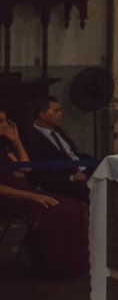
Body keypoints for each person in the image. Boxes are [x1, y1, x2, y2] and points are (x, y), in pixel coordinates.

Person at [0, 109, 89, 278]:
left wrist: (16, 140)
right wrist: (34, 196)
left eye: (5, 120)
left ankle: (70, 263)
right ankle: (51, 266)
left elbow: (26, 168)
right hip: (9, 198)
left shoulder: (5, 146)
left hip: (26, 190)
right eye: (0, 121)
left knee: (77, 207)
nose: (4, 124)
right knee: (58, 211)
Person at [20, 95, 92, 203]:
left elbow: (72, 153)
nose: (60, 114)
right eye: (56, 111)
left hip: (80, 171)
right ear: (43, 115)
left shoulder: (58, 130)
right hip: (64, 182)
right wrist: (71, 177)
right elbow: (38, 175)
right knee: (89, 189)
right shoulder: (31, 139)